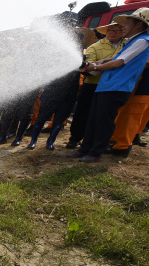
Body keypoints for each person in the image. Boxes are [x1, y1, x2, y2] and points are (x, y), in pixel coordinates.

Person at [68, 8, 149, 162]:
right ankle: (85, 149)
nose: (123, 27)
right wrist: (90, 63)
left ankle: (95, 153)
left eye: (126, 23)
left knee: (103, 121)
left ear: (139, 24)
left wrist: (95, 67)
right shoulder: (131, 41)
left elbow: (118, 62)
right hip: (107, 85)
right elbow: (111, 58)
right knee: (93, 119)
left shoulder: (142, 41)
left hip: (118, 87)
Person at [66, 23, 125, 149]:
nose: (112, 32)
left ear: (123, 32)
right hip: (92, 86)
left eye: (116, 30)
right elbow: (89, 68)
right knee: (83, 113)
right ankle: (74, 138)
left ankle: (94, 142)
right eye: (110, 30)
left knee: (103, 117)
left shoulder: (127, 45)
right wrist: (110, 64)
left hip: (112, 87)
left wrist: (101, 65)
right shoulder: (95, 47)